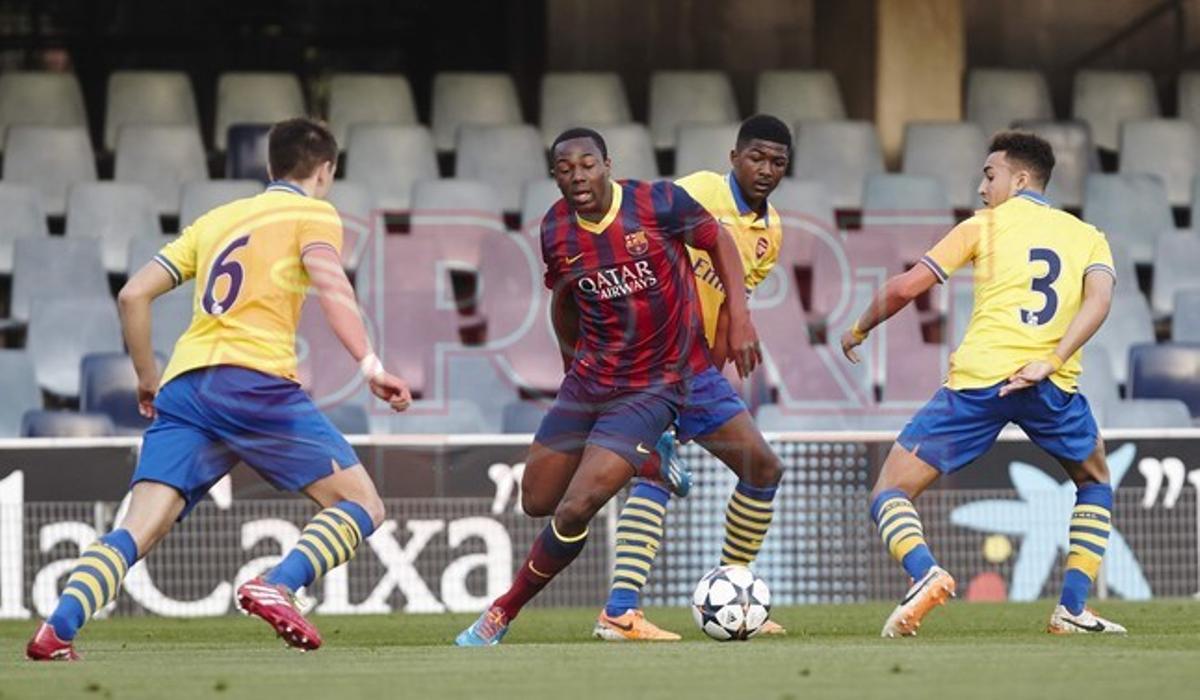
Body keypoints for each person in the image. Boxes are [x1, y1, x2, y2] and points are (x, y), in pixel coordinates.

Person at [26, 118, 412, 660]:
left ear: (271, 167)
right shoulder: (313, 213)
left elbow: (133, 295)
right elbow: (330, 282)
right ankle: (277, 583)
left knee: (142, 525)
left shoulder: (218, 220)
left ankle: (58, 629)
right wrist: (370, 365)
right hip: (253, 382)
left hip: (185, 387)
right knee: (362, 504)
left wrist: (147, 379)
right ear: (325, 170)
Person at [454, 127, 760, 646]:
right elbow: (565, 299)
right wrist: (569, 366)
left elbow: (720, 240)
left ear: (607, 165)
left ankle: (501, 613)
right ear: (555, 177)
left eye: (587, 164)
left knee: (577, 506)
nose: (577, 176)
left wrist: (739, 316)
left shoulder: (658, 203)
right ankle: (650, 461)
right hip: (591, 380)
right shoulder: (555, 229)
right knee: (537, 500)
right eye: (565, 169)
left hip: (651, 387)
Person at [839, 131, 1124, 637]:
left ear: (1019, 178)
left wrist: (859, 326)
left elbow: (907, 287)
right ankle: (1072, 610)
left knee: (889, 491)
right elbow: (1098, 304)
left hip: (979, 382)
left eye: (989, 175)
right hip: (1050, 384)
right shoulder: (1089, 235)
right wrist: (1052, 359)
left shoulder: (983, 226)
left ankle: (924, 572)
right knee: (1095, 482)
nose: (981, 187)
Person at [593, 115, 791, 641]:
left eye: (778, 162)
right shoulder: (698, 191)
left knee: (763, 469)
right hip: (650, 353)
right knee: (652, 471)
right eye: (757, 158)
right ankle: (619, 611)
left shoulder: (770, 235)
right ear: (734, 157)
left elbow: (729, 309)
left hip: (697, 368)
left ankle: (735, 592)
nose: (766, 170)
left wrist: (713, 382)